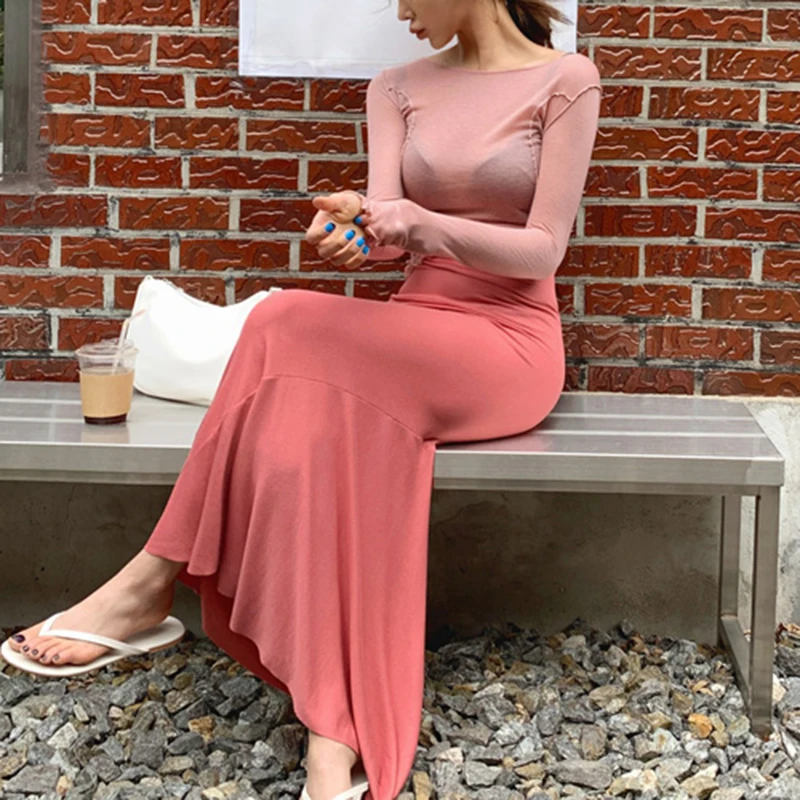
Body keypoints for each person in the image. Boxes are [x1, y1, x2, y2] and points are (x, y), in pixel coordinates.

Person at [4, 1, 602, 798]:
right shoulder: (396, 87)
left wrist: (415, 223)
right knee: (304, 433)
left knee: (283, 317)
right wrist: (356, 230)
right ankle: (332, 726)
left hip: (506, 343)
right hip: (412, 330)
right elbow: (384, 234)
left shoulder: (566, 80)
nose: (399, 10)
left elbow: (542, 250)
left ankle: (150, 580)